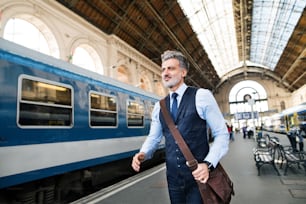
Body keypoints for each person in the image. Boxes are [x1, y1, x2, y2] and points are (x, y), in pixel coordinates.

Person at [131, 50, 229, 204]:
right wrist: (143, 153)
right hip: (173, 179)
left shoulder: (201, 96)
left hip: (199, 177)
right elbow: (154, 137)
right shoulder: (160, 106)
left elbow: (221, 134)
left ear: (183, 72)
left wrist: (208, 164)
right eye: (163, 69)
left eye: (171, 68)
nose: (165, 73)